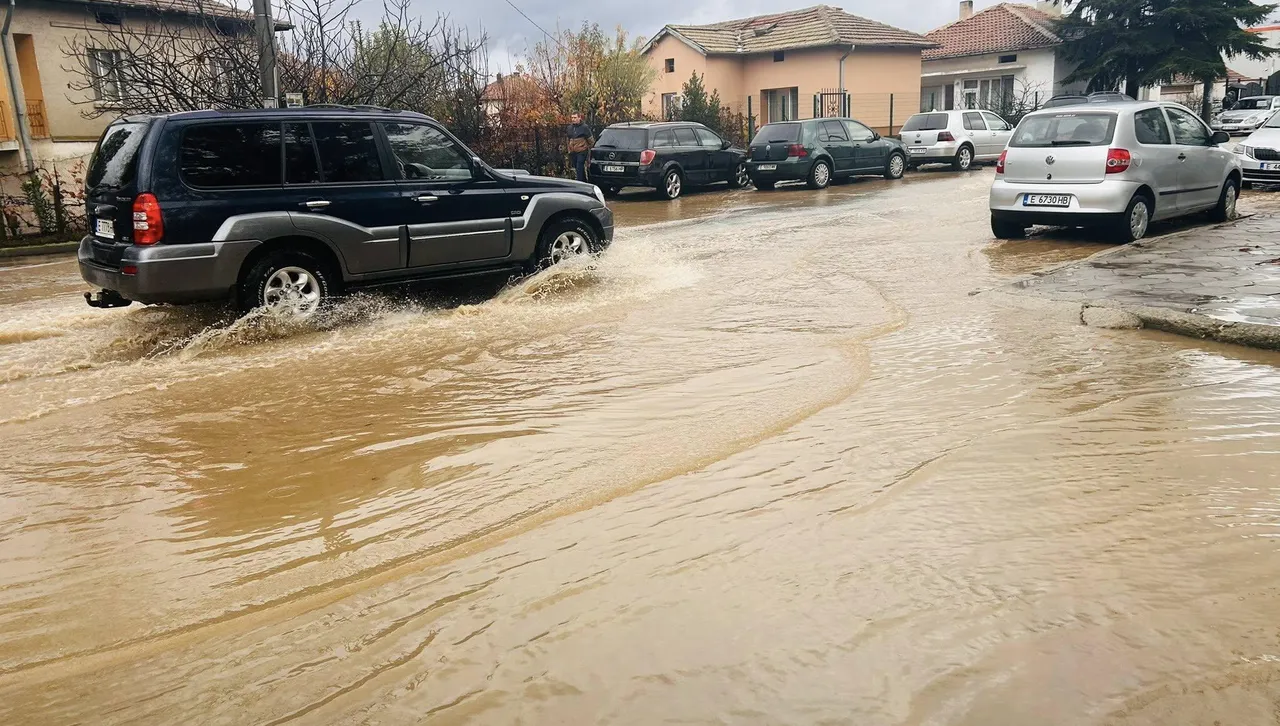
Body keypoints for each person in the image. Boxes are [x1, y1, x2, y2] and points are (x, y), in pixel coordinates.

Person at [567, 113, 594, 182]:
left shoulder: (584, 127)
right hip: (573, 151)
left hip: (582, 151)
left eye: (575, 117)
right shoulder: (570, 128)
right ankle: (584, 181)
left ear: (579, 118)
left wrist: (591, 149)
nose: (573, 119)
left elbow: (590, 139)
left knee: (579, 167)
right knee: (577, 168)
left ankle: (579, 183)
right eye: (572, 117)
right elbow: (568, 139)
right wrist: (569, 149)